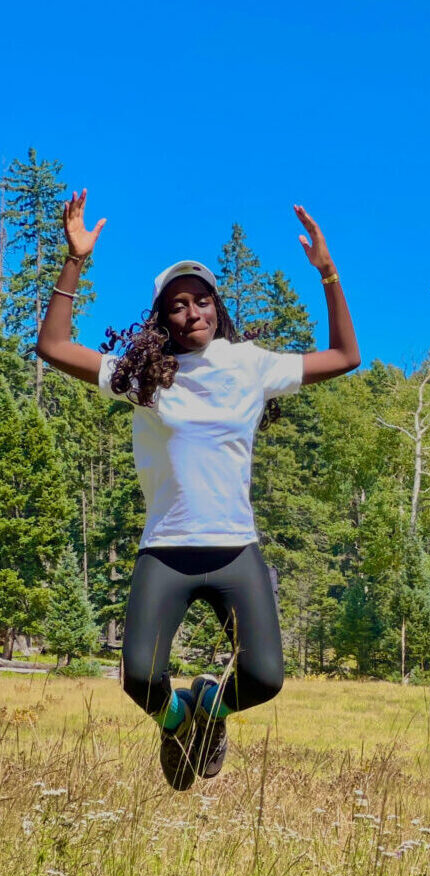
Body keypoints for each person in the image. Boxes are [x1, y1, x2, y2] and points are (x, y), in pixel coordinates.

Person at [36, 191, 361, 790]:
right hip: (167, 550)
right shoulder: (142, 377)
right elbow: (53, 347)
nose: (193, 314)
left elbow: (346, 355)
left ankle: (210, 705)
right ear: (163, 319)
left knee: (263, 679)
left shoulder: (250, 364)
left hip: (235, 550)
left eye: (202, 300)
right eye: (177, 306)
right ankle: (181, 719)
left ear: (217, 305)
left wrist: (328, 272)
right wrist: (75, 259)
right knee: (140, 679)